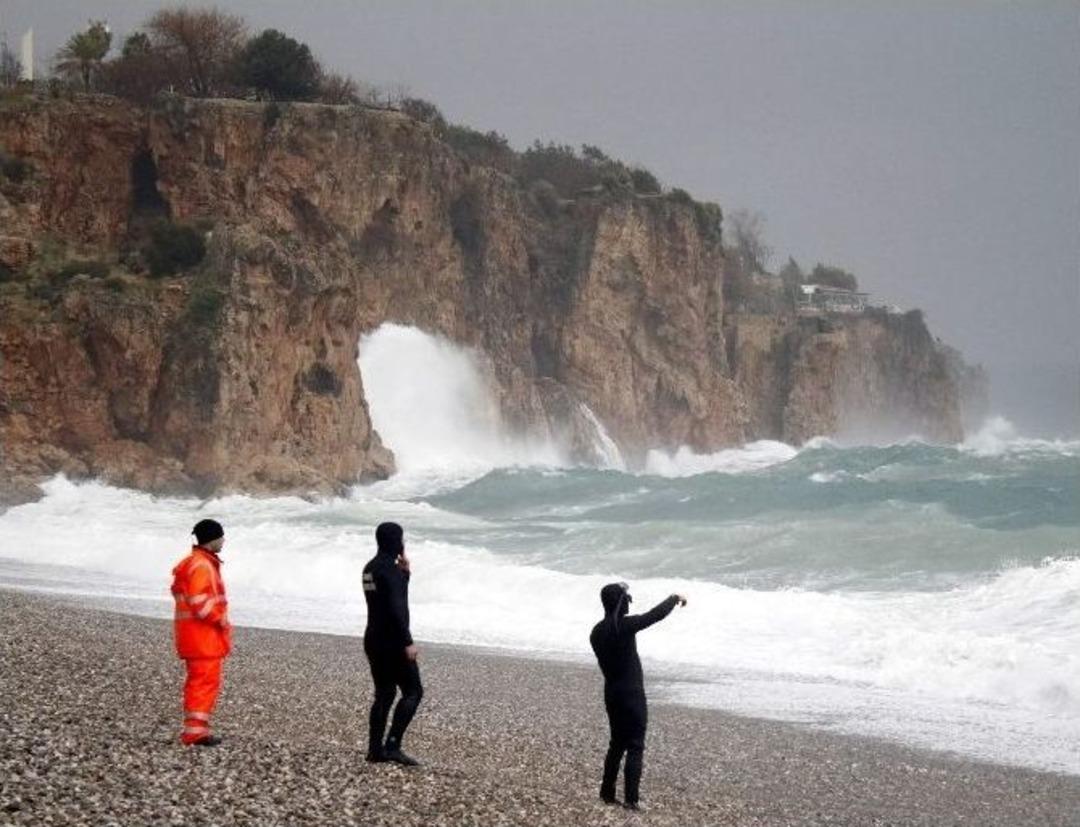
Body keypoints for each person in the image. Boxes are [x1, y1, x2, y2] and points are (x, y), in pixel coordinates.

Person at [589, 582, 687, 810]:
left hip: (612, 694)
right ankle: (631, 800)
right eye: (627, 600)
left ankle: (607, 793)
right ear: (622, 603)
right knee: (635, 745)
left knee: (616, 744)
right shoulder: (625, 626)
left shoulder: (596, 632)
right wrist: (674, 597)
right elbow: (655, 615)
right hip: (632, 695)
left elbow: (649, 616)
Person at [362, 521, 423, 765]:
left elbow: (383, 602)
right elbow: (396, 608)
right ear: (396, 541)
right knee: (414, 691)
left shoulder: (369, 569)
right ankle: (393, 745)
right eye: (401, 539)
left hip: (373, 639)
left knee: (384, 693)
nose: (403, 543)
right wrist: (407, 642)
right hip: (393, 641)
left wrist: (405, 575)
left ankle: (375, 750)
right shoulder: (389, 570)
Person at [171, 519, 232, 747]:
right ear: (212, 539)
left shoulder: (193, 563)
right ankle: (195, 733)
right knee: (203, 684)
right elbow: (199, 601)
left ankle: (196, 730)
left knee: (199, 683)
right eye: (222, 536)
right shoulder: (202, 565)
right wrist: (220, 619)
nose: (224, 540)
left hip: (194, 637)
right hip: (203, 638)